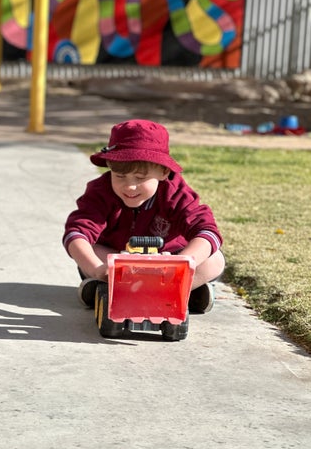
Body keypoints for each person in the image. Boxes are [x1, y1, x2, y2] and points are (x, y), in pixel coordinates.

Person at [63, 119, 225, 314]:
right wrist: (97, 268)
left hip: (169, 263)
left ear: (164, 172)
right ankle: (108, 285)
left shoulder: (175, 193)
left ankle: (164, 291)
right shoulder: (100, 192)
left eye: (140, 178)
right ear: (109, 167)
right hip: (118, 263)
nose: (129, 186)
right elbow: (77, 233)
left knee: (214, 260)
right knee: (90, 251)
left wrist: (181, 263)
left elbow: (206, 229)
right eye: (120, 176)